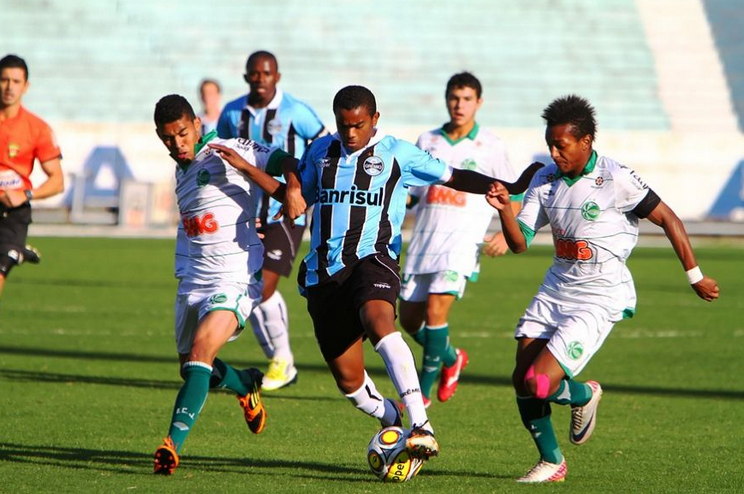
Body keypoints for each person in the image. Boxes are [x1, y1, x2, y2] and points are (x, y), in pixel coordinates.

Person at [213, 85, 542, 461]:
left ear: (374, 119)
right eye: (343, 125)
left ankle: (421, 424)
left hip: (374, 259)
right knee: (349, 381)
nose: (350, 133)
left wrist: (506, 188)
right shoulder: (320, 152)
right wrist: (249, 170)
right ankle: (391, 419)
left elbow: (453, 176)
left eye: (358, 125)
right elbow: (294, 199)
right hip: (323, 274)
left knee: (379, 320)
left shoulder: (397, 152)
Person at [486, 94, 720, 483]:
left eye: (561, 145)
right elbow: (520, 242)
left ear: (586, 141)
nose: (554, 153)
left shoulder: (616, 179)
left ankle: (582, 394)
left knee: (538, 383)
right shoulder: (544, 180)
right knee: (521, 380)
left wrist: (695, 276)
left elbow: (669, 219)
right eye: (550, 145)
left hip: (598, 296)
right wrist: (503, 212)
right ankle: (552, 462)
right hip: (555, 289)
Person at [151, 94, 295, 475]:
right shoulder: (181, 170)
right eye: (168, 138)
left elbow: (286, 161)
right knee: (191, 366)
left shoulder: (230, 148)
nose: (177, 143)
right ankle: (245, 384)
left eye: (183, 133)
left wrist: (292, 189)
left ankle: (171, 445)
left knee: (200, 352)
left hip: (234, 276)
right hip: (193, 279)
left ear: (197, 124)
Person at [399, 72, 523, 408]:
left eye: (467, 99)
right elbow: (413, 192)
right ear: (446, 99)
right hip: (424, 241)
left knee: (436, 311)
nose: (459, 105)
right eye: (454, 98)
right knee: (409, 319)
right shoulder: (427, 140)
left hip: (462, 243)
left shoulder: (492, 146)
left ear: (479, 102)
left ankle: (421, 396)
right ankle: (452, 358)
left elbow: (515, 194)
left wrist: (506, 232)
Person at [217, 50, 328, 390]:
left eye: (267, 73)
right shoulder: (232, 112)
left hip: (285, 210)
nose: (260, 79)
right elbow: (220, 153)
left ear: (277, 77)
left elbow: (324, 146)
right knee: (251, 285)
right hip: (245, 211)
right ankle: (282, 362)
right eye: (255, 73)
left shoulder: (296, 111)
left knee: (263, 286)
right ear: (246, 77)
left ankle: (281, 361)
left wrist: (306, 186)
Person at [0, 54, 64, 310]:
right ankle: (18, 251)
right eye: (4, 80)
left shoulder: (37, 128)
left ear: (25, 86)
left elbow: (57, 181)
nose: (9, 87)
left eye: (16, 81)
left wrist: (25, 194)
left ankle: (12, 251)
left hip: (13, 212)